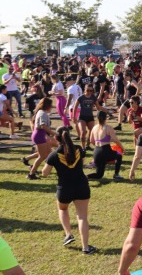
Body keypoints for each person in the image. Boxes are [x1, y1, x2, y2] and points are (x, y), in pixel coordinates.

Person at [41, 126, 95, 254]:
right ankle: (86, 247)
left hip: (64, 188)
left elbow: (44, 173)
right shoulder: (79, 149)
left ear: (56, 138)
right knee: (82, 217)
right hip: (82, 186)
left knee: (63, 209)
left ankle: (68, 234)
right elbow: (81, 162)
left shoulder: (54, 155)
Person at [86, 111, 124, 180]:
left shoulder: (94, 128)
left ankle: (85, 176)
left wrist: (98, 147)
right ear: (105, 118)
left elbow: (91, 140)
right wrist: (122, 148)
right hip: (105, 151)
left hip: (96, 152)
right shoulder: (108, 128)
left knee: (99, 175)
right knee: (119, 156)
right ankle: (116, 174)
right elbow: (115, 140)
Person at [26, 98, 56, 180]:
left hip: (40, 134)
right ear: (47, 106)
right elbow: (43, 126)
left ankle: (34, 169)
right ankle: (31, 174)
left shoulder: (41, 112)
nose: (51, 107)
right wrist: (55, 133)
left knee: (49, 153)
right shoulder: (42, 113)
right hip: (39, 135)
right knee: (42, 156)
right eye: (51, 106)